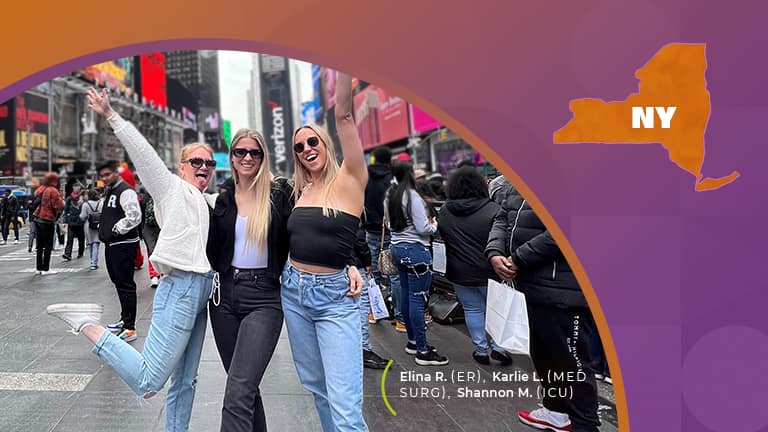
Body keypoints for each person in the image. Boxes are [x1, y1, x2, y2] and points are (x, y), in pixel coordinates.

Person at [47, 87, 218, 432]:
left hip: (202, 293)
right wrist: (111, 115)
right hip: (181, 288)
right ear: (182, 166)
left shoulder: (209, 200)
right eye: (196, 161)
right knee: (148, 380)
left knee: (187, 381)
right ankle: (87, 325)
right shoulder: (170, 188)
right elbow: (144, 154)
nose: (204, 167)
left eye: (210, 162)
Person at [282, 72, 367, 431]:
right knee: (317, 388)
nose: (306, 150)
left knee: (346, 406)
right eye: (299, 147)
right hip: (293, 293)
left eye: (311, 141)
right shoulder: (299, 192)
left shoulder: (350, 179)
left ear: (325, 143)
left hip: (335, 299)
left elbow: (345, 117)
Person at [485, 186, 600, 432]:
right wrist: (495, 251)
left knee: (573, 364)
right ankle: (555, 411)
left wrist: (518, 258)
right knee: (544, 357)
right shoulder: (515, 183)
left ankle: (585, 425)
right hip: (529, 287)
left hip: (564, 291)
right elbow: (501, 217)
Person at [437, 166, 512, 365]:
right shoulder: (493, 209)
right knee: (495, 310)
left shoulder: (444, 211)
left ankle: (480, 350)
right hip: (491, 271)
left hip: (459, 271)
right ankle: (498, 347)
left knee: (472, 310)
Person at [385, 161, 448, 366]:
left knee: (406, 294)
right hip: (416, 252)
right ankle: (422, 350)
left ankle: (412, 342)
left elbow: (387, 223)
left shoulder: (390, 194)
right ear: (410, 174)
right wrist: (434, 225)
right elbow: (423, 227)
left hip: (397, 248)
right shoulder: (412, 196)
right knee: (417, 299)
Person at [95, 160, 142, 342]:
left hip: (122, 244)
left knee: (126, 285)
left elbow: (134, 216)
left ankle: (130, 327)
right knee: (119, 283)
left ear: (116, 172)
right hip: (113, 244)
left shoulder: (125, 191)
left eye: (107, 174)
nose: (105, 178)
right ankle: (124, 320)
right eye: (102, 176)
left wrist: (116, 229)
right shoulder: (112, 190)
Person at [363, 145, 404, 331]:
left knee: (373, 273)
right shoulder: (393, 179)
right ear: (389, 160)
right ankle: (400, 318)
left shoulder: (364, 178)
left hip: (370, 230)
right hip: (391, 230)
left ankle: (375, 311)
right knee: (394, 274)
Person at [350, 222, 390, 369]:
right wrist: (367, 261)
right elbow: (358, 239)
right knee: (361, 306)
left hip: (336, 265)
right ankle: (363, 349)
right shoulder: (349, 209)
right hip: (355, 264)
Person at [32, 173, 64, 275]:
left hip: (37, 218)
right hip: (47, 219)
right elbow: (59, 206)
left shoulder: (40, 189)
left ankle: (38, 268)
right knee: (48, 245)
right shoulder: (53, 191)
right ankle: (46, 268)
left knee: (40, 246)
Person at [80, 189, 103, 270]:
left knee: (91, 243)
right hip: (99, 225)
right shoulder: (101, 203)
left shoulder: (85, 204)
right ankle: (94, 262)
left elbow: (82, 216)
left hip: (88, 225)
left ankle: (92, 261)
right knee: (96, 243)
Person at [62, 184, 86, 260]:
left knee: (81, 238)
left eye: (77, 187)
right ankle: (67, 254)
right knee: (70, 238)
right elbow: (66, 209)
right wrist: (65, 219)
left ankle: (80, 252)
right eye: (75, 187)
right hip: (71, 221)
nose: (76, 189)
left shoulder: (83, 198)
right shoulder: (69, 198)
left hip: (80, 221)